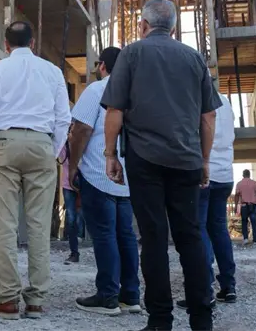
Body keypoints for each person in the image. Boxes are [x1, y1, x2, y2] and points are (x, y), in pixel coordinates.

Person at [101, 0, 221, 331]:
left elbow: (115, 110)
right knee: (190, 236)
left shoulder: (132, 54)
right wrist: (205, 160)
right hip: (187, 158)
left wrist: (110, 154)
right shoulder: (194, 58)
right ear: (174, 28)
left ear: (143, 25)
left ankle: (160, 321)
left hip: (144, 157)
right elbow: (208, 116)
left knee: (153, 239)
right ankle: (202, 320)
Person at [0, 21, 71, 320]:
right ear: (33, 43)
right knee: (39, 225)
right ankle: (36, 300)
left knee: (4, 224)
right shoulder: (52, 71)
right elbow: (63, 118)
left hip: (5, 142)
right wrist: (51, 149)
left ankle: (7, 299)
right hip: (42, 143)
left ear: (6, 44)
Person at [69, 47, 141, 316]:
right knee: (126, 235)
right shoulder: (135, 92)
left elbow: (81, 129)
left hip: (99, 173)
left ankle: (107, 296)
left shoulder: (97, 89)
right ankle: (130, 296)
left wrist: (72, 166)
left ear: (102, 66)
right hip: (127, 177)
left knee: (104, 234)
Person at [177, 92, 237, 309]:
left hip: (204, 172)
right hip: (225, 174)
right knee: (219, 229)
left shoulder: (195, 98)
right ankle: (228, 287)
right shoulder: (226, 101)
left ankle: (204, 289)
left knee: (199, 230)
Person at [57, 140, 82, 265]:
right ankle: (74, 252)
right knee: (71, 219)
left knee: (83, 217)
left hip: (85, 183)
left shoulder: (83, 141)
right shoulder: (63, 144)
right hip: (68, 185)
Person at [234, 169, 256, 245]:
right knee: (254, 223)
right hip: (253, 205)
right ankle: (255, 241)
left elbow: (237, 195)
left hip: (244, 206)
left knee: (244, 222)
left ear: (243, 175)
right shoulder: (255, 183)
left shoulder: (239, 184)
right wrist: (255, 195)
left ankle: (246, 239)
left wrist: (236, 206)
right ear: (249, 175)